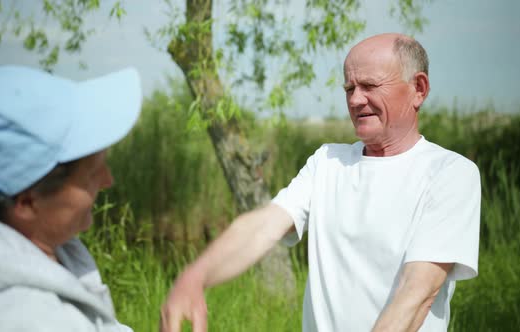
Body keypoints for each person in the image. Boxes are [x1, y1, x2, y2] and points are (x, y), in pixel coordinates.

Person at [160, 33, 481, 332]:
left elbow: (417, 293)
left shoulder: (450, 173)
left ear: (419, 89)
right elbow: (262, 227)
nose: (356, 100)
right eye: (349, 88)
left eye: (369, 85)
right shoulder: (328, 162)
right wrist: (194, 276)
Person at [0, 65, 142, 331]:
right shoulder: (29, 319)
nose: (108, 181)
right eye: (92, 173)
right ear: (26, 203)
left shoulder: (48, 250)